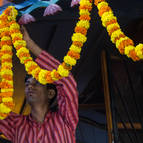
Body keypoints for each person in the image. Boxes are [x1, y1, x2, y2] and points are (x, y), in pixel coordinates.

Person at [0, 26, 79, 143]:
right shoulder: (16, 124)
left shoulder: (65, 119)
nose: (29, 87)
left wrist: (28, 43)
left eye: (36, 83)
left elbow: (66, 81)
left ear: (50, 93)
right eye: (27, 84)